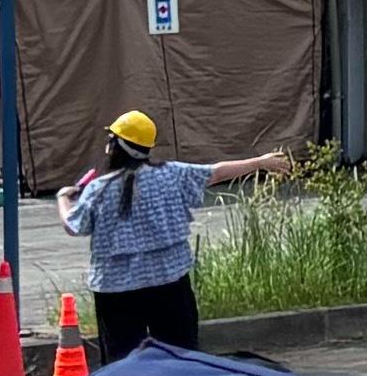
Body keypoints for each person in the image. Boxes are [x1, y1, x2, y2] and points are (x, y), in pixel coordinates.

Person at [57, 112, 285, 358]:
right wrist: (260, 162)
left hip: (116, 289)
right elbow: (216, 172)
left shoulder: (98, 189)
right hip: (169, 281)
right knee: (180, 356)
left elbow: (73, 226)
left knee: (122, 362)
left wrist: (63, 199)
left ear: (115, 147)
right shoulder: (172, 174)